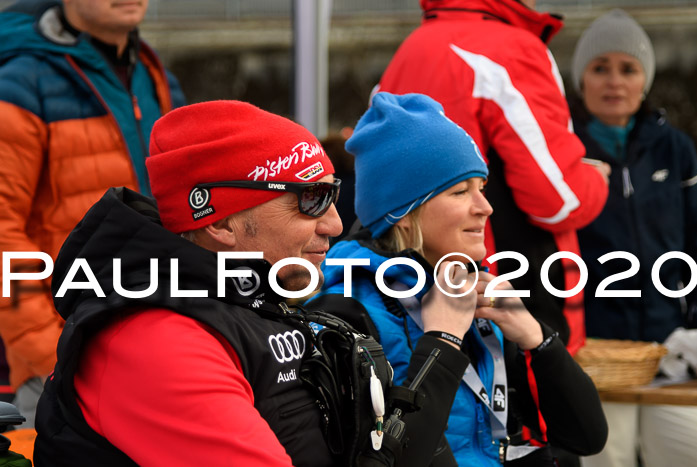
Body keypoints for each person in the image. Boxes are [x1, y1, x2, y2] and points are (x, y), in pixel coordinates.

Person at [33, 100, 476, 467]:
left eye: (334, 196)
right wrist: (440, 345)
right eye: (311, 200)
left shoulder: (256, 302)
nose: (336, 225)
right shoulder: (154, 339)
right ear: (222, 222)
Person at [312, 92, 608, 466]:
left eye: (481, 188)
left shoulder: (477, 290)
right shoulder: (346, 313)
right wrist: (442, 340)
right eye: (459, 192)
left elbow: (586, 436)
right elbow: (390, 459)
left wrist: (536, 338)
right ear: (403, 213)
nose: (485, 207)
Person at [377, 0, 610, 354]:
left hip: (413, 283)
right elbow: (557, 200)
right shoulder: (511, 48)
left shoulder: (411, 47)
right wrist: (596, 179)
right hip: (502, 291)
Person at [0, 0, 185, 427]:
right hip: (62, 355)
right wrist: (54, 348)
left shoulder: (155, 76)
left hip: (157, 342)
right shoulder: (20, 82)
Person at [568, 10, 697, 467]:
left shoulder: (676, 149)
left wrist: (694, 324)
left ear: (645, 79)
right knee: (609, 458)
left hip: (671, 348)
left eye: (628, 68)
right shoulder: (564, 151)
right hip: (599, 352)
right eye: (599, 67)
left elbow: (696, 238)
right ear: (580, 79)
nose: (614, 81)